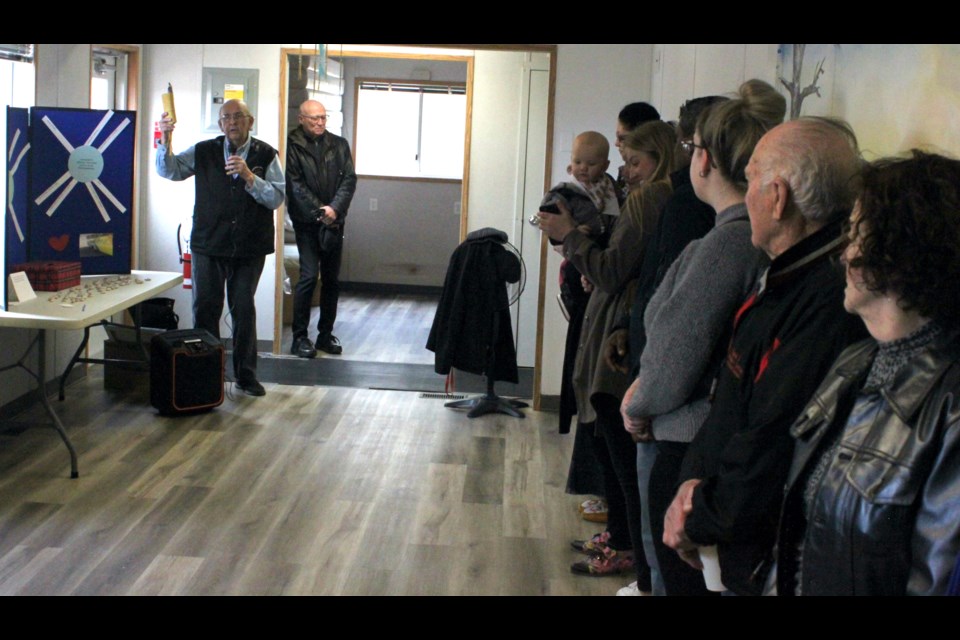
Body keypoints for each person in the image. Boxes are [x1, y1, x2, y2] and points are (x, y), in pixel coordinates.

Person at [662, 117, 868, 595]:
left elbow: (773, 439)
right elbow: (731, 402)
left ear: (777, 197)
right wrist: (690, 485)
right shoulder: (785, 274)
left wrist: (698, 517)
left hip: (764, 556)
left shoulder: (828, 301)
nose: (744, 190)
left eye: (751, 177)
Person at [619, 81, 784, 596]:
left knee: (671, 576)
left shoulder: (726, 245)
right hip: (690, 433)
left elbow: (677, 351)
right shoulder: (733, 236)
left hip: (682, 437)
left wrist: (637, 400)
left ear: (704, 158)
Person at [774, 151, 960, 596]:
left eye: (855, 234)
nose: (844, 253)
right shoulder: (855, 361)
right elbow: (798, 537)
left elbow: (932, 582)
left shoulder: (951, 408)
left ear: (899, 252)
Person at [539, 120, 677, 591]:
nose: (627, 170)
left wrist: (569, 238)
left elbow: (613, 269)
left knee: (617, 452)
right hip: (616, 317)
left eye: (634, 161)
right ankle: (620, 537)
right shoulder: (655, 201)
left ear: (657, 159)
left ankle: (625, 548)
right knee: (612, 450)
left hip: (615, 325)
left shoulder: (646, 201)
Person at [156, 99, 285, 397]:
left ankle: (246, 376)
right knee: (205, 309)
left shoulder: (266, 154)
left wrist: (250, 177)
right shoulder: (204, 151)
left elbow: (276, 199)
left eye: (238, 116)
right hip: (208, 244)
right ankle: (206, 377)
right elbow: (170, 170)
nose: (232, 122)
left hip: (249, 248)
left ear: (250, 122)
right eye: (226, 117)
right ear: (220, 124)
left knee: (243, 309)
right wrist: (166, 139)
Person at [287, 100, 357, 358]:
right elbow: (295, 186)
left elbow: (349, 180)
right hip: (307, 223)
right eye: (314, 118)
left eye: (323, 118)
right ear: (301, 118)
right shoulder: (291, 145)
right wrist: (321, 212)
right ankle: (299, 337)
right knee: (307, 277)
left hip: (335, 222)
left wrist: (334, 210)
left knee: (331, 281)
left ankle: (325, 335)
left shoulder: (339, 145)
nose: (319, 122)